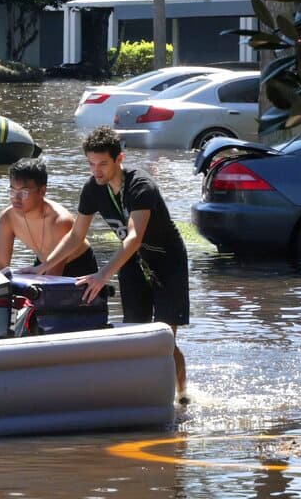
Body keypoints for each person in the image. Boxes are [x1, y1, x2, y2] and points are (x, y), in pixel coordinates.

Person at [25, 126, 189, 402]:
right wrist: (44, 265)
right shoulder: (92, 189)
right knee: (136, 336)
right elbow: (77, 235)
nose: (96, 171)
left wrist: (102, 275)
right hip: (133, 264)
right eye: (91, 164)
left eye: (103, 164)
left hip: (167, 262)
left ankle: (182, 396)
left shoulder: (141, 186)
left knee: (163, 339)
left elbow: (134, 236)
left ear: (119, 160)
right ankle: (144, 395)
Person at [0, 158, 98, 277]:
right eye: (12, 191)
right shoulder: (7, 217)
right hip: (43, 262)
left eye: (24, 192)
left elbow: (53, 276)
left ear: (42, 191)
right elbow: (0, 265)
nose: (16, 198)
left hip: (78, 266)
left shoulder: (59, 221)